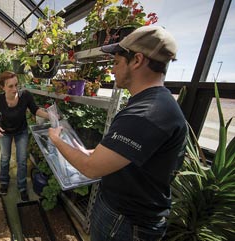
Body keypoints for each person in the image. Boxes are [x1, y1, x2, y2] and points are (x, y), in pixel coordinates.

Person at [48, 26, 188, 241]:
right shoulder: (153, 104)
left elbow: (91, 168)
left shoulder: (147, 113)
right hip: (126, 215)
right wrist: (89, 150)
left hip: (125, 222)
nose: (112, 70)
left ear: (137, 60)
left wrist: (57, 141)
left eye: (116, 62)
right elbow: (130, 154)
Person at [0, 71, 49, 201]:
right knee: (5, 158)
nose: (15, 89)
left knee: (21, 160)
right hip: (5, 132)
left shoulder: (25, 95)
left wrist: (50, 115)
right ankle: (4, 181)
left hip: (21, 131)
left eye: (16, 85)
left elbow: (35, 109)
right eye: (10, 86)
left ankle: (22, 186)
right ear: (2, 87)